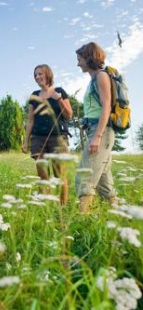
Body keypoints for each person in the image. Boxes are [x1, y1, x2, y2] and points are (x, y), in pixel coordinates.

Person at [75, 42, 118, 213]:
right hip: (96, 130)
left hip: (102, 130)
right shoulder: (93, 79)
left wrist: (97, 136)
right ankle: (118, 215)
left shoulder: (101, 76)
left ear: (88, 58)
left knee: (84, 178)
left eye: (79, 59)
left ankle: (82, 219)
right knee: (103, 181)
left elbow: (106, 107)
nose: (78, 63)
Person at [22, 64, 73, 205]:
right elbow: (30, 120)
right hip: (38, 139)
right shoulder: (34, 96)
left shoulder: (60, 91)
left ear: (48, 74)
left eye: (40, 74)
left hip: (58, 138)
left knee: (59, 174)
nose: (38, 77)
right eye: (35, 75)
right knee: (42, 174)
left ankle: (62, 206)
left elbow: (69, 115)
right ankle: (45, 204)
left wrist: (59, 99)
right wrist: (26, 141)